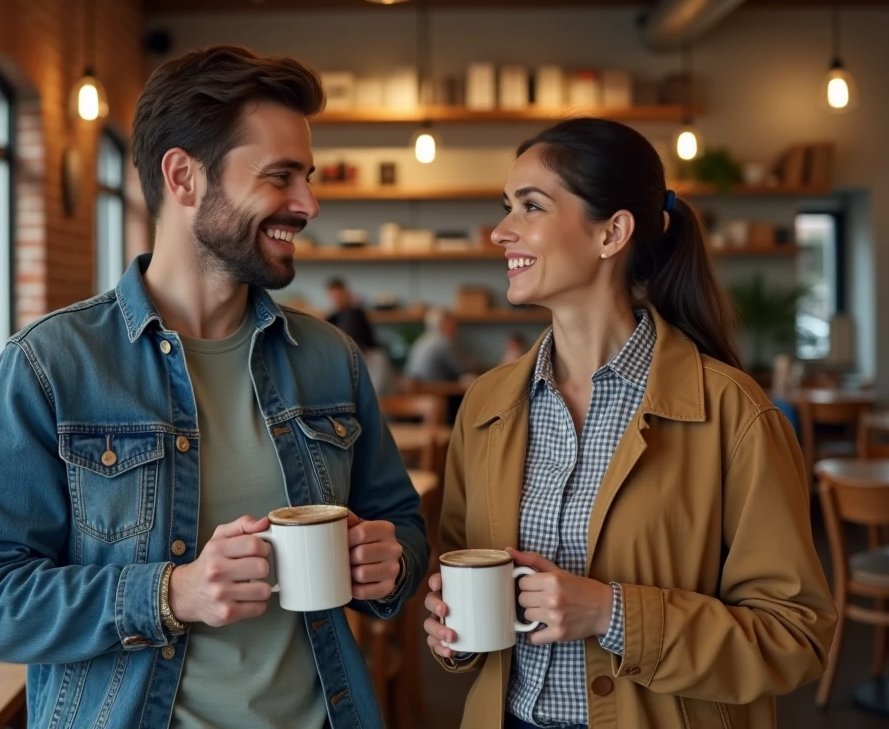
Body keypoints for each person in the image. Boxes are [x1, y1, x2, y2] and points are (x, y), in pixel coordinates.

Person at [0, 45, 428, 729]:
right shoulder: (52, 365)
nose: (308, 204)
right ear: (183, 177)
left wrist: (391, 562)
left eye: (308, 178)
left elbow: (402, 523)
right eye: (281, 176)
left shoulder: (330, 360)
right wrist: (173, 593)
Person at [422, 118, 836, 729]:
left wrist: (610, 613)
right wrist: (454, 633)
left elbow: (794, 635)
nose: (501, 231)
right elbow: (464, 580)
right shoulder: (485, 405)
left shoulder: (735, 413)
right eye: (506, 207)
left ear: (612, 232)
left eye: (530, 206)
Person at [324, 277, 396, 396]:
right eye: (333, 296)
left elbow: (373, 396)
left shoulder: (376, 359)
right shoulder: (331, 319)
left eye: (339, 295)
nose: (337, 299)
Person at [405, 307, 466, 382]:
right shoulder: (443, 341)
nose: (456, 327)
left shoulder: (424, 338)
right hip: (432, 385)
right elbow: (460, 368)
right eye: (452, 323)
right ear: (444, 324)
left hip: (417, 384)